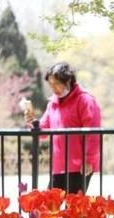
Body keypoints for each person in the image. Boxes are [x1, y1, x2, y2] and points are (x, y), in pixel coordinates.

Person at [24, 62, 101, 194]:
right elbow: (43, 131)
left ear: (69, 80)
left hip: (79, 166)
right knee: (49, 208)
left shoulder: (85, 100)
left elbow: (93, 134)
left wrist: (89, 160)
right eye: (51, 84)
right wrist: (32, 122)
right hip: (58, 166)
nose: (54, 88)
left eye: (57, 83)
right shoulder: (53, 104)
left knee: (73, 210)